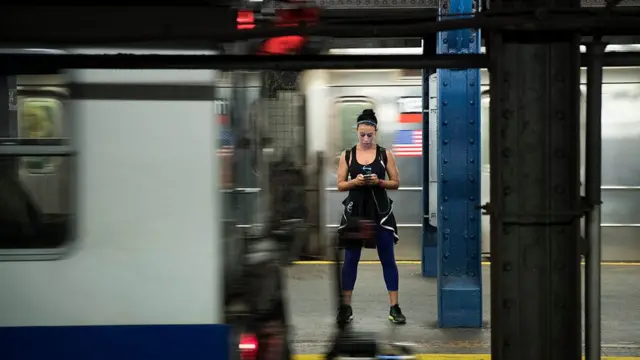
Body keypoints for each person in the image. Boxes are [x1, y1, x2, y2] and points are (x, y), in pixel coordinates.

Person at [335, 109, 406, 325]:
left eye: (370, 135)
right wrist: (354, 182)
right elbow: (340, 185)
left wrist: (379, 182)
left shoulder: (386, 154)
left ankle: (394, 307)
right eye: (362, 134)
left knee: (387, 259)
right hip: (356, 212)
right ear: (356, 131)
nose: (366, 139)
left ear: (375, 132)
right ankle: (346, 307)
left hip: (380, 213)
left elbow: (395, 182)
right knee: (350, 260)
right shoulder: (346, 155)